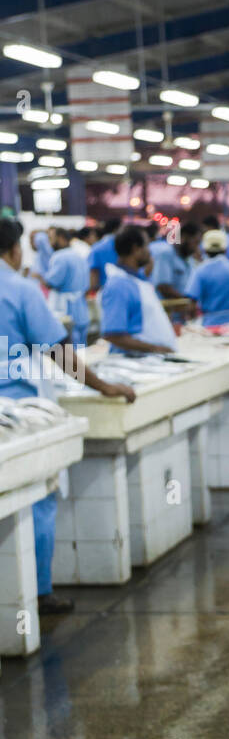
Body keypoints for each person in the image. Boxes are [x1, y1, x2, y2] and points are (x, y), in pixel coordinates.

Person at [0, 216, 134, 615]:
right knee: (36, 494)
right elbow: (58, 352)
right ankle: (38, 592)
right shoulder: (19, 289)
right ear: (13, 249)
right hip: (20, 414)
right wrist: (104, 386)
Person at [101, 225, 177, 354]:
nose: (150, 251)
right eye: (147, 245)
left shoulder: (136, 279)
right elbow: (113, 335)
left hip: (150, 361)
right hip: (134, 364)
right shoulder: (119, 285)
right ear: (136, 249)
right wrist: (156, 348)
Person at [185, 229, 229, 326]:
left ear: (204, 249)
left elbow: (192, 302)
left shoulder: (200, 271)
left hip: (209, 325)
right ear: (225, 249)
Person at [42, 226, 91, 346]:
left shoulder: (60, 257)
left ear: (61, 238)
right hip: (81, 309)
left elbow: (51, 282)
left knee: (68, 352)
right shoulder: (79, 255)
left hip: (65, 310)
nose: (50, 243)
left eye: (51, 238)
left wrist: (39, 278)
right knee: (81, 349)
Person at [151, 221, 200, 303]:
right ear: (185, 238)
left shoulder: (188, 259)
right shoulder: (166, 254)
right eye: (195, 243)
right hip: (169, 312)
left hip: (182, 312)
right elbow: (163, 287)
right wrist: (186, 301)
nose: (196, 248)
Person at [87, 217, 122, 296]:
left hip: (102, 291)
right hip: (122, 289)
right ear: (117, 228)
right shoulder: (123, 246)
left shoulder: (96, 248)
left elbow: (93, 273)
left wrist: (90, 292)